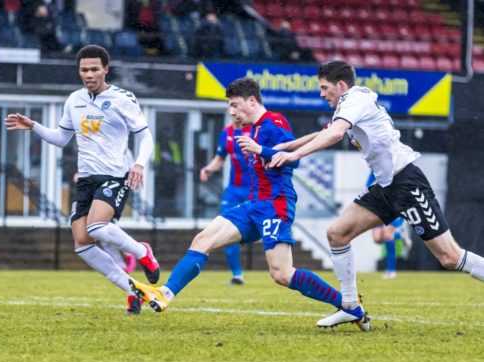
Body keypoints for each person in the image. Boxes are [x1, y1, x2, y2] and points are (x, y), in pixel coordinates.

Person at [129, 78, 368, 331]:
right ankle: (165, 293)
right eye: (229, 106)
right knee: (202, 240)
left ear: (251, 101)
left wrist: (260, 149)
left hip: (276, 205)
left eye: (235, 105)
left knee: (282, 274)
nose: (231, 111)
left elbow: (293, 161)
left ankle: (349, 304)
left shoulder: (273, 122)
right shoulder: (253, 129)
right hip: (254, 205)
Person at [267, 60, 484, 329]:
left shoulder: (355, 98)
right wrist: (288, 144)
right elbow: (326, 131)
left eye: (325, 88)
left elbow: (334, 134)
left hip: (406, 182)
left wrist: (293, 155)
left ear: (341, 85)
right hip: (386, 187)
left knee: (450, 257)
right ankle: (350, 306)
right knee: (337, 234)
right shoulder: (349, 106)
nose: (322, 94)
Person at [5, 44, 160, 315]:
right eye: (84, 69)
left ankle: (141, 251)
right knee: (82, 243)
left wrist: (138, 164)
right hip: (87, 179)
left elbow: (145, 135)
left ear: (105, 70)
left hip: (115, 176)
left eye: (94, 69)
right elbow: (61, 138)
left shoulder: (123, 98)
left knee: (98, 226)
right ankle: (134, 289)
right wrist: (34, 127)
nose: (89, 74)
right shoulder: (74, 100)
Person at [199, 118, 251, 284]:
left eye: (236, 107)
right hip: (233, 190)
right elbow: (220, 158)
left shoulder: (254, 131)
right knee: (224, 229)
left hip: (254, 189)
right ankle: (237, 275)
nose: (234, 113)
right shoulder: (226, 133)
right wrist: (209, 168)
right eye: (231, 108)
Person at [366, 171, 404, 279]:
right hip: (378, 207)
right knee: (377, 239)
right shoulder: (375, 168)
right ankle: (399, 235)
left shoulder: (396, 167)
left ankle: (391, 270)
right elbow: (367, 184)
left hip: (391, 207)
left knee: (387, 236)